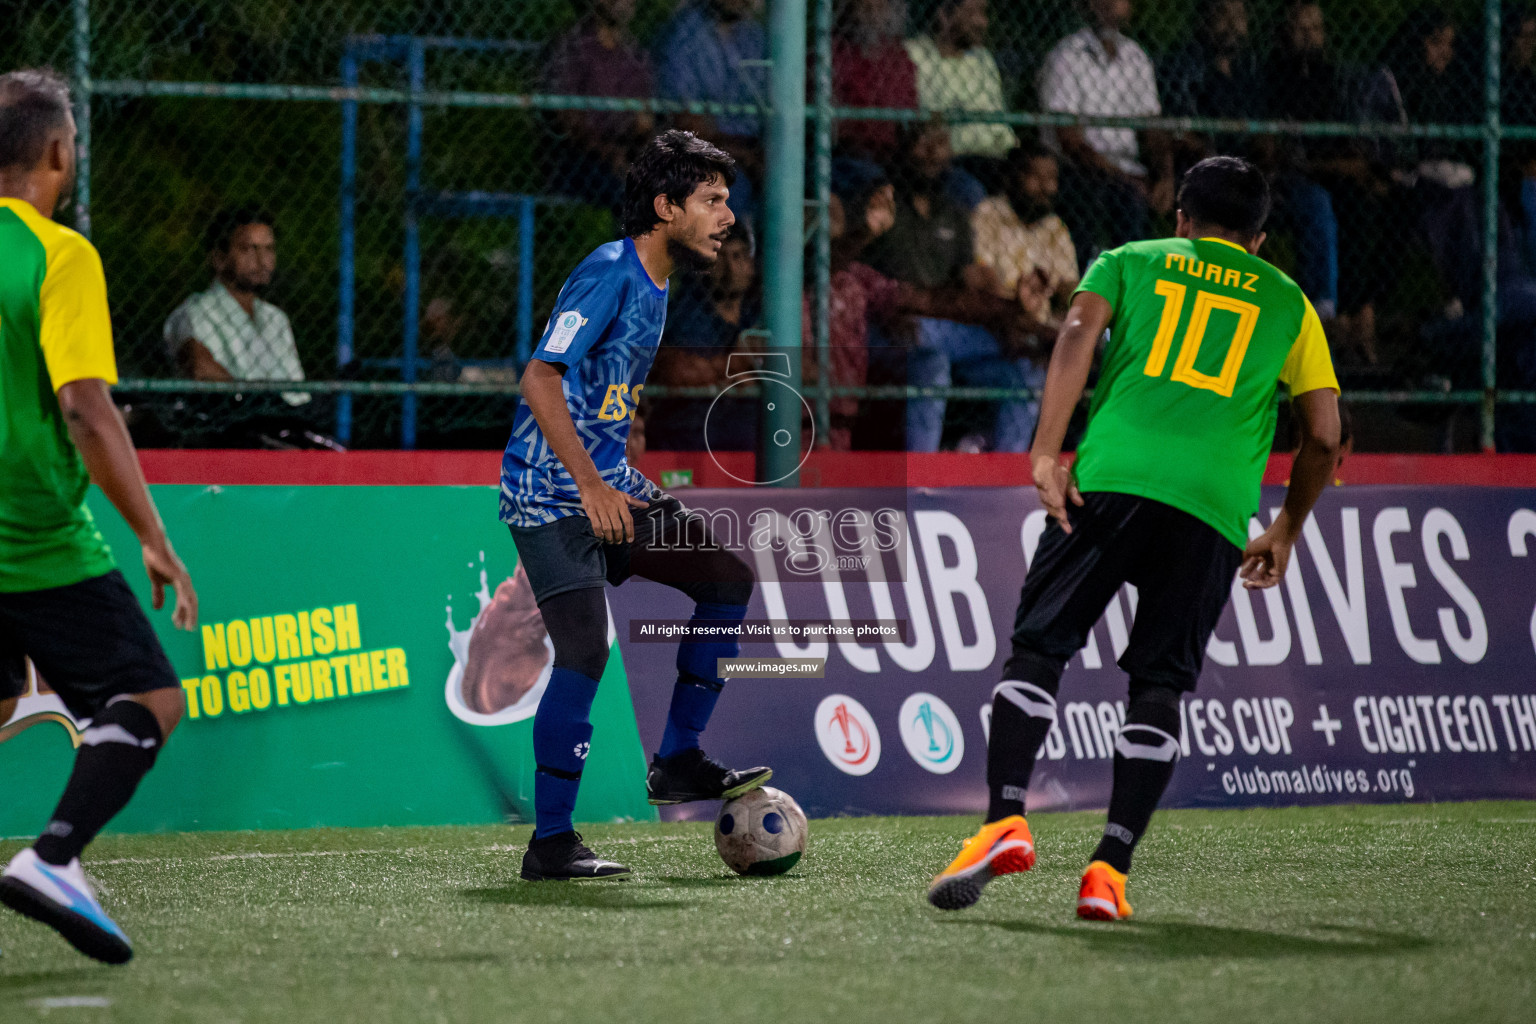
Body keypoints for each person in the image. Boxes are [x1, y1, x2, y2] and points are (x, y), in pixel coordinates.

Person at [925, 157, 1340, 920]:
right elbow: (1323, 434)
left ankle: (1004, 818)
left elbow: (1078, 331)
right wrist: (1286, 526)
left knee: (1040, 649)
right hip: (1213, 507)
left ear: (1181, 218)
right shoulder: (1291, 304)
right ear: (1259, 240)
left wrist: (1046, 451)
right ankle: (1108, 871)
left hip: (1111, 480)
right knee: (1159, 684)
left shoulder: (1129, 261)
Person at [500, 130, 770, 882]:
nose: (726, 218)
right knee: (584, 651)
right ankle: (550, 843)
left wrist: (617, 468)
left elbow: (597, 397)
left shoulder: (657, 285)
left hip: (607, 483)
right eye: (712, 202)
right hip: (549, 495)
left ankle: (678, 760)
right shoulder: (611, 270)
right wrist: (590, 483)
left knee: (726, 580)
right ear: (665, 206)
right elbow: (540, 379)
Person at [0, 69, 199, 963]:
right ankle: (52, 857)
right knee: (149, 694)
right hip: (33, 536)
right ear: (56, 150)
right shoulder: (60, 254)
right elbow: (84, 406)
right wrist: (155, 538)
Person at [866, 120, 1054, 452]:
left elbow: (971, 286)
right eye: (923, 143)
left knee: (1027, 368)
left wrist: (1009, 315)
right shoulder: (883, 207)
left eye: (940, 145)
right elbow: (888, 296)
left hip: (944, 325)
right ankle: (923, 480)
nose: (932, 154)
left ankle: (1005, 482)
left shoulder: (955, 215)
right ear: (903, 150)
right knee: (932, 361)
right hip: (889, 329)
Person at [1162, 0, 1341, 323]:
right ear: (1205, 21)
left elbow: (1265, 132)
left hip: (1254, 176)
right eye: (1223, 17)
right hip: (1206, 176)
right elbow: (1177, 130)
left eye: (1239, 18)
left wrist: (1266, 151)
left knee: (1314, 201)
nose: (1232, 26)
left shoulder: (1250, 70)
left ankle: (1320, 309)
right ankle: (1221, 312)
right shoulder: (1186, 64)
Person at [1038, 0, 1174, 263]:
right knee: (1122, 198)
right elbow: (1069, 141)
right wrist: (1124, 177)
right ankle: (1112, 285)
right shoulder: (1068, 55)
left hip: (1129, 171)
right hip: (1081, 169)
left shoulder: (1136, 56)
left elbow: (1152, 128)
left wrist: (1165, 175)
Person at [164, 206, 307, 404]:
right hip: (227, 422)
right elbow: (200, 368)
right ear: (219, 259)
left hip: (283, 421)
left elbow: (297, 392)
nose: (262, 260)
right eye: (249, 249)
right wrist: (251, 401)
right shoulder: (197, 311)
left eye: (269, 249)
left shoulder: (276, 318)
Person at [649, 222, 760, 451]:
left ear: (751, 266)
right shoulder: (688, 311)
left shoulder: (759, 314)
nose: (729, 267)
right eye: (720, 257)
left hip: (745, 432)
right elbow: (676, 370)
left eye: (738, 256)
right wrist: (739, 365)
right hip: (689, 431)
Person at [654, 0, 766, 222]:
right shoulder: (685, 33)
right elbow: (686, 119)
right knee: (728, 187)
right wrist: (742, 157)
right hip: (706, 153)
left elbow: (774, 111)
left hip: (756, 151)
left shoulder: (755, 37)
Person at [541, 0, 656, 214]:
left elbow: (643, 123)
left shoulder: (636, 54)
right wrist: (608, 152)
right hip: (577, 158)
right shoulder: (572, 46)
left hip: (624, 152)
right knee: (627, 190)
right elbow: (568, 122)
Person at [903, 0, 1016, 207]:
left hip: (996, 159)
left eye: (984, 13)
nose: (983, 22)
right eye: (974, 13)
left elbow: (1001, 128)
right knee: (970, 190)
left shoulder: (983, 59)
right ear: (944, 15)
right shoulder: (915, 54)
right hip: (950, 159)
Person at [970, 143, 1079, 323]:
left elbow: (1068, 283)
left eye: (1051, 178)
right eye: (1035, 177)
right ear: (1010, 178)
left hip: (1044, 323)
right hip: (1001, 317)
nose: (1045, 187)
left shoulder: (1054, 226)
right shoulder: (989, 213)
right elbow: (984, 276)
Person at [831, 0, 918, 166]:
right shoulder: (835, 53)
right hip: (847, 152)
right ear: (852, 11)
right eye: (866, 8)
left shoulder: (898, 56)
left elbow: (908, 110)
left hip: (893, 153)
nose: (873, 15)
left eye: (879, 8)